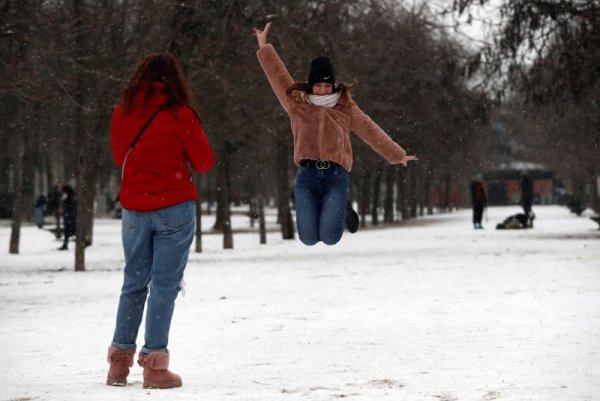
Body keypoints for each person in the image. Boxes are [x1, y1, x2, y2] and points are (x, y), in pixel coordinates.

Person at [253, 22, 417, 245]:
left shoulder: (345, 107)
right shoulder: (296, 104)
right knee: (309, 238)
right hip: (307, 176)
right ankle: (332, 208)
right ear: (311, 86)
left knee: (330, 237)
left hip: (335, 177)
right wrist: (265, 47)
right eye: (318, 85)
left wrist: (396, 154)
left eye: (327, 85)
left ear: (334, 86)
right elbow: (278, 77)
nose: (322, 90)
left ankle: (342, 207)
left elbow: (370, 130)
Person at [106, 53, 215, 389]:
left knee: (133, 283)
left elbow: (117, 156)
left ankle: (119, 364)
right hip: (174, 208)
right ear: (175, 80)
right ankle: (154, 366)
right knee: (164, 286)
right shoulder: (179, 114)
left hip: (135, 208)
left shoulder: (122, 112)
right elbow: (205, 161)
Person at [58, 184, 76, 250]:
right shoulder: (68, 197)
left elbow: (72, 208)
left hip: (71, 217)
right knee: (68, 232)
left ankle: (65, 244)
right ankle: (65, 244)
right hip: (68, 217)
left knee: (70, 231)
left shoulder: (71, 198)